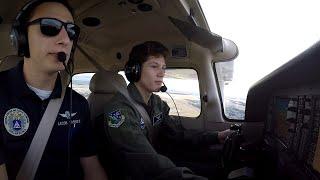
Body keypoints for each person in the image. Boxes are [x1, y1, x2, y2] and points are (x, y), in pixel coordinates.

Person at [0, 0, 108, 179]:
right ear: (21, 37)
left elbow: (92, 167)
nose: (65, 40)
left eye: (72, 31)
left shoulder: (78, 104)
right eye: (49, 26)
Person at [95, 41, 232, 179]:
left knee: (216, 168)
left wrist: (216, 136)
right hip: (133, 173)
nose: (161, 74)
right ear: (134, 70)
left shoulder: (157, 104)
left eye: (164, 68)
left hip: (157, 161)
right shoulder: (119, 110)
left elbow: (177, 135)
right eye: (154, 66)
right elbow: (146, 162)